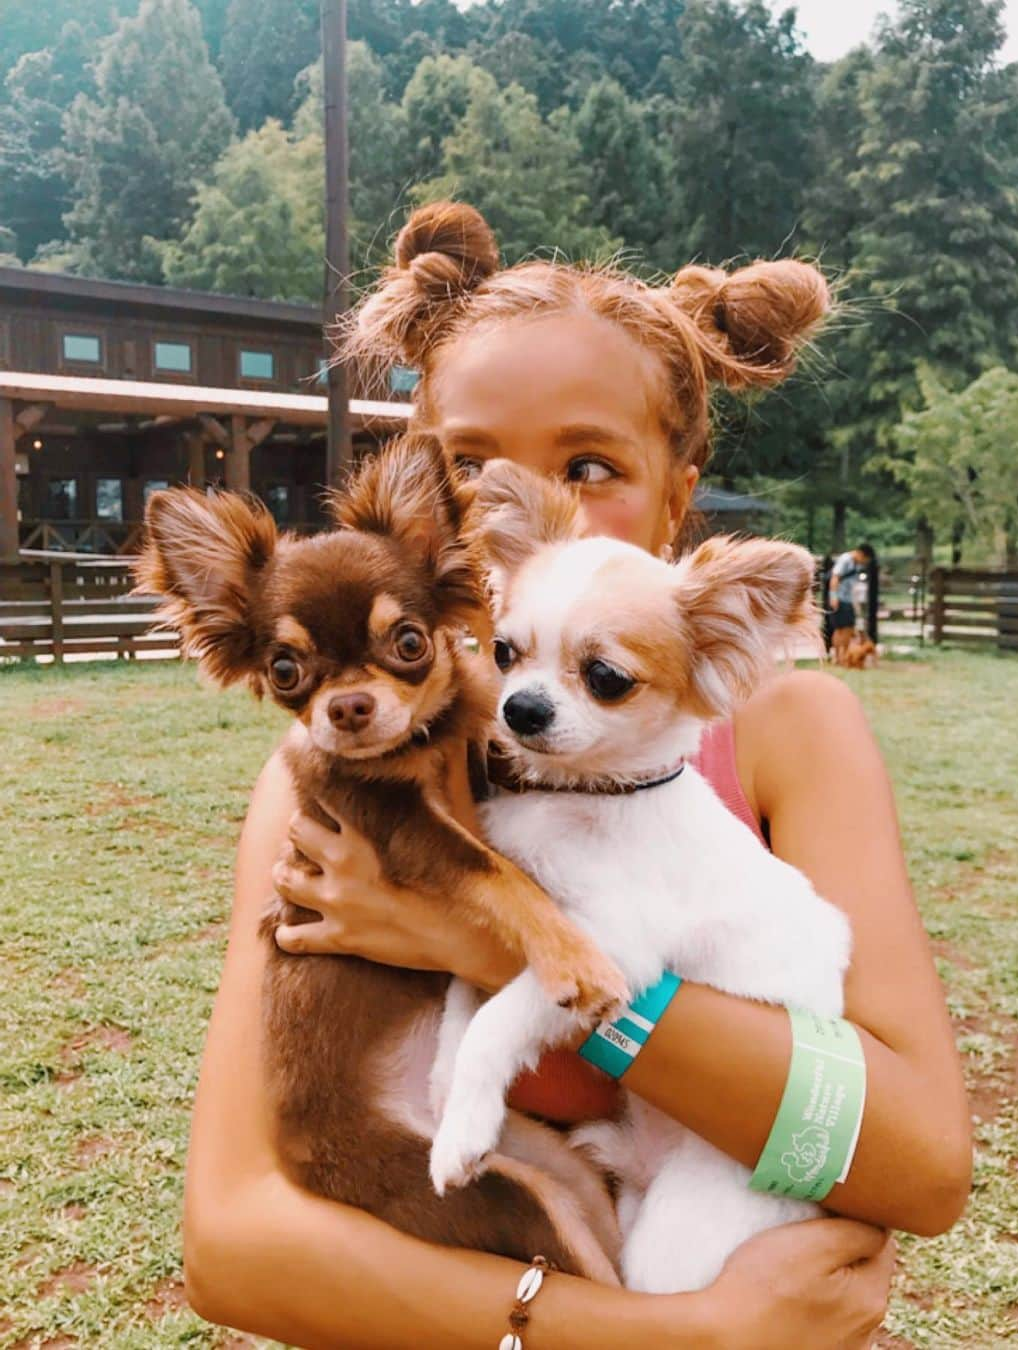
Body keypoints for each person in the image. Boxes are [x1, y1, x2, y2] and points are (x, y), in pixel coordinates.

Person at [181, 203, 970, 1349]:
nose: (527, 512)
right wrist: (681, 1337)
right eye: (468, 468)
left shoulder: (787, 730)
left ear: (676, 494)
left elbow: (922, 1165)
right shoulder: (338, 775)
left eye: (590, 465)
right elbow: (234, 1239)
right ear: (423, 500)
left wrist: (486, 938)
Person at [829, 544, 875, 664]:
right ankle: (837, 657)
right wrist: (833, 597)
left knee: (848, 629)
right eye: (865, 560)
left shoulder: (857, 565)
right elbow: (835, 578)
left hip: (848, 599)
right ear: (861, 554)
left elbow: (852, 585)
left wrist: (856, 602)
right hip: (839, 598)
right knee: (840, 629)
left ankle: (844, 656)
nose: (864, 563)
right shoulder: (845, 560)